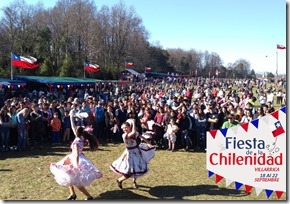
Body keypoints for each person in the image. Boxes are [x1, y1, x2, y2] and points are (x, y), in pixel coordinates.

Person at [50, 113, 103, 200]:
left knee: (76, 181)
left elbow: (77, 155)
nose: (74, 129)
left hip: (75, 159)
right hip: (73, 157)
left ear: (77, 132)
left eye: (75, 130)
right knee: (68, 176)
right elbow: (73, 126)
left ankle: (89, 197)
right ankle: (73, 194)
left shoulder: (77, 141)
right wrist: (71, 116)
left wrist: (76, 165)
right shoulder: (81, 137)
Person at [110, 118, 155, 189]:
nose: (124, 129)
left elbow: (141, 137)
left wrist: (149, 143)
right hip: (129, 154)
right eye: (123, 128)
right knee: (129, 171)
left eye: (126, 127)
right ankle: (119, 180)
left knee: (137, 168)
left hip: (136, 152)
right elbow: (133, 132)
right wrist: (133, 122)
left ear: (129, 127)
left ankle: (134, 182)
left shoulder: (134, 133)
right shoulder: (124, 135)